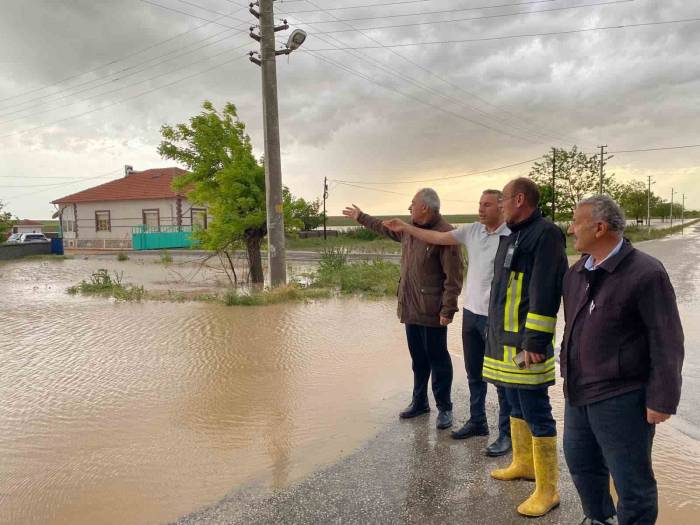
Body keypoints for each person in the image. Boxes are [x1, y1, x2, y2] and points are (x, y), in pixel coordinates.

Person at [562, 195, 684, 525]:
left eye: (576, 221)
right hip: (578, 392)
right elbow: (573, 328)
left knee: (632, 484)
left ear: (600, 228)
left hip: (622, 397)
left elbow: (667, 340)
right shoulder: (575, 272)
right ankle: (599, 518)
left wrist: (661, 399)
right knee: (581, 464)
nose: (570, 228)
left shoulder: (645, 273)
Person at [383, 190, 514, 456]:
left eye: (486, 205)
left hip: (497, 316)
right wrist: (405, 226)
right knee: (474, 373)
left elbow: (452, 275)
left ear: (502, 207)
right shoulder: (473, 231)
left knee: (501, 378)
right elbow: (437, 237)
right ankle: (478, 421)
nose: (480, 209)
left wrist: (446, 307)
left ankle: (506, 433)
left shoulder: (513, 237)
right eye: (479, 204)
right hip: (471, 313)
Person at [342, 188, 464, 430]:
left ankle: (445, 408)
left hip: (432, 310)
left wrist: (447, 309)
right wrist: (361, 217)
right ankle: (419, 402)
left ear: (425, 208)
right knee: (418, 359)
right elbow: (385, 228)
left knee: (438, 359)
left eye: (412, 203)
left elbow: (454, 277)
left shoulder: (446, 234)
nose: (409, 208)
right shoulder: (409, 229)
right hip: (410, 307)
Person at [484, 177, 567, 517]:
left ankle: (548, 490)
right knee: (512, 400)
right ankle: (523, 463)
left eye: (503, 199)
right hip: (503, 341)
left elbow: (545, 289)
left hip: (525, 345)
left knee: (536, 409)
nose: (500, 205)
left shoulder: (545, 234)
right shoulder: (512, 234)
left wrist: (535, 341)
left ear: (519, 199)